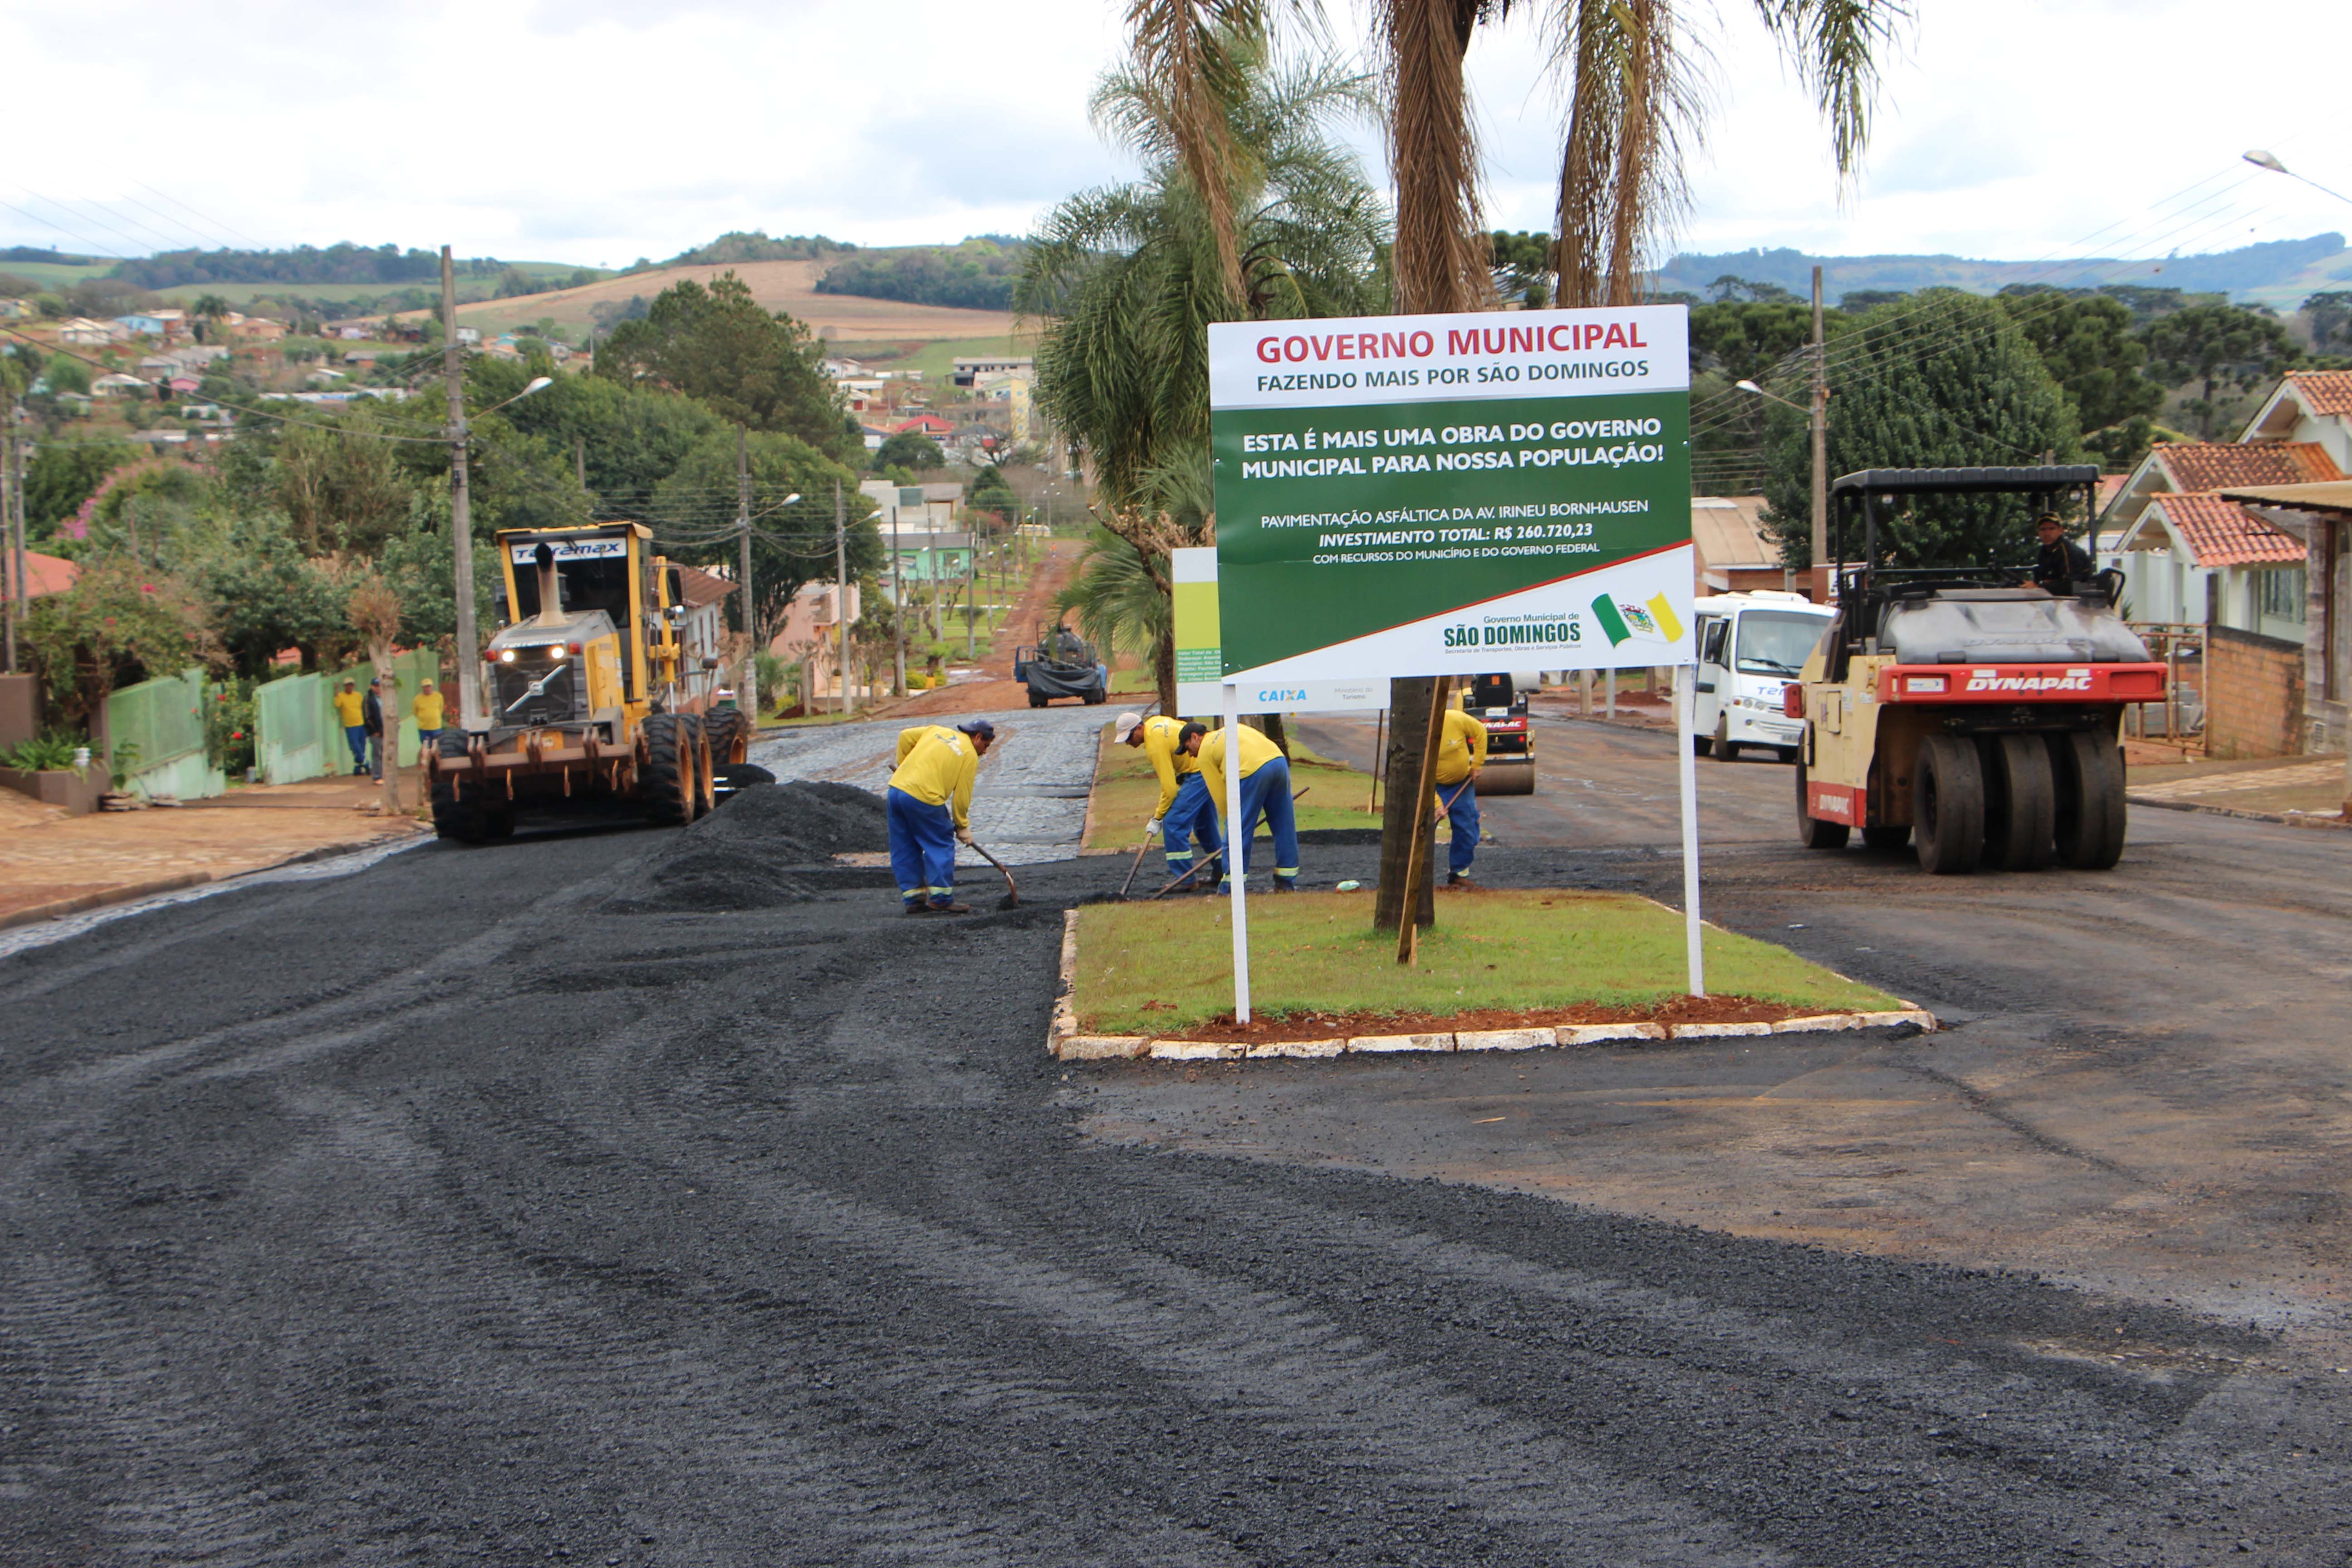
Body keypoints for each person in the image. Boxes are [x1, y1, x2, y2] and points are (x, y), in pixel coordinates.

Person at [887, 718, 994, 915]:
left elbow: (905, 736)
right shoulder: (969, 753)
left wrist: (904, 766)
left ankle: (913, 899)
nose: (985, 751)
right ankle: (941, 898)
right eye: (986, 745)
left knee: (905, 845)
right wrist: (962, 827)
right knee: (940, 842)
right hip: (924, 797)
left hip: (896, 790)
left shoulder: (936, 731)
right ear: (977, 737)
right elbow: (962, 796)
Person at [1183, 720, 1297, 892]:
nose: (1190, 755)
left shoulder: (1205, 751)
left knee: (1238, 830)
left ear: (1195, 738)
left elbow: (1221, 798)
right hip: (1278, 762)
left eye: (1187, 748)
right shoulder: (1231, 728)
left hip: (1251, 771)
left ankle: (1230, 887)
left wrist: (1232, 823)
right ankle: (1286, 882)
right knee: (1284, 825)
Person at [1117, 710, 1220, 887]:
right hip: (1204, 768)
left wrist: (1158, 818)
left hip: (1199, 773)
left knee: (1174, 824)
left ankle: (1185, 880)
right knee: (1205, 827)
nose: (1127, 743)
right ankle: (1224, 871)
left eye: (1129, 737)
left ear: (1140, 728)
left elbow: (1170, 789)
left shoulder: (1154, 745)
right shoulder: (1156, 722)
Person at [1434, 697, 1490, 886]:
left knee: (1468, 832)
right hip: (1431, 787)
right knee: (1423, 830)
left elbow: (1481, 732)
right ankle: (1416, 877)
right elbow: (1418, 775)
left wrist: (1477, 764)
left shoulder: (1455, 719)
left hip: (1461, 784)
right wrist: (1436, 804)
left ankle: (1458, 874)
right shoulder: (1419, 732)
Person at [2032, 513, 2094, 596]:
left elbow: (2069, 585)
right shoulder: (2044, 550)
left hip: (2076, 601)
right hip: (2054, 598)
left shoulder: (2069, 552)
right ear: (2038, 532)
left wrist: (2039, 587)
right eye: (2043, 529)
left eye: (2052, 529)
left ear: (2060, 531)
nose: (2047, 533)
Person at [333, 678, 367, 775]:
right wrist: (336, 692)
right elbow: (337, 704)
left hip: (360, 723)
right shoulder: (341, 696)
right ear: (345, 686)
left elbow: (362, 707)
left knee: (362, 746)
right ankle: (364, 762)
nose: (350, 687)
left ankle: (358, 768)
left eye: (351, 685)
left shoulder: (358, 695)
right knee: (355, 746)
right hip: (350, 726)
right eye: (348, 685)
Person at [361, 677, 388, 781]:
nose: (378, 688)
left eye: (379, 686)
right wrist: (375, 731)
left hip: (385, 731)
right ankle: (377, 776)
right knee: (377, 754)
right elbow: (368, 717)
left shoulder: (384, 698)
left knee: (385, 754)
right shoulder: (369, 699)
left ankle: (384, 775)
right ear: (372, 687)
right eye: (376, 686)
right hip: (375, 732)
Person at [412, 680, 444, 755]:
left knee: (437, 745)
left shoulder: (439, 696)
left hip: (436, 727)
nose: (428, 688)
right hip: (423, 728)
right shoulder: (417, 699)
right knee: (426, 746)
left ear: (432, 687)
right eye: (426, 687)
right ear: (422, 688)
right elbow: (415, 712)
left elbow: (441, 709)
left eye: (429, 686)